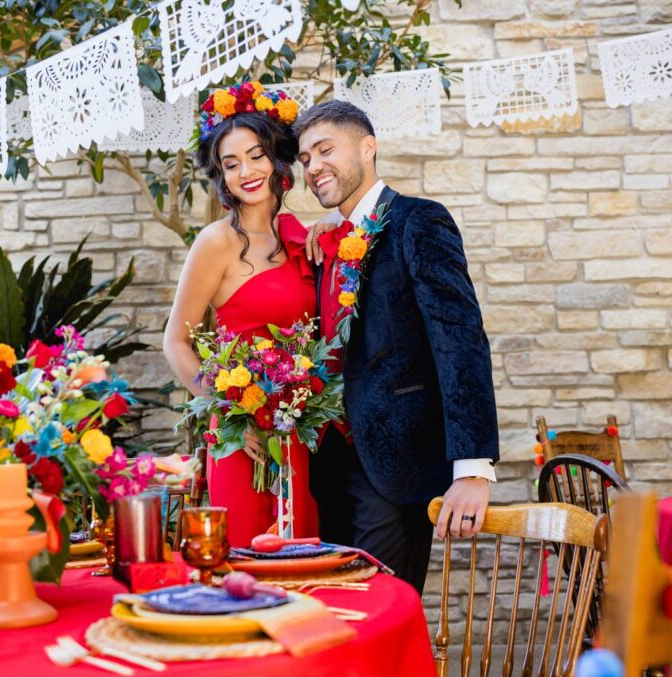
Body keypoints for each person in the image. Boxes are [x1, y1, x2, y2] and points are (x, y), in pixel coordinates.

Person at [293, 101, 499, 594]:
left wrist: (472, 468)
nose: (313, 166)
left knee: (379, 610)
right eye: (303, 159)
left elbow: (460, 339)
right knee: (332, 614)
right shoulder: (326, 242)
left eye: (325, 150)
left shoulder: (418, 221)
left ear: (368, 146)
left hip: (396, 467)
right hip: (325, 469)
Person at [163, 82, 319, 548]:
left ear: (277, 161)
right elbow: (175, 341)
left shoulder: (305, 239)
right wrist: (230, 411)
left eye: (256, 156)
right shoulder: (216, 242)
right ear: (222, 178)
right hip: (240, 435)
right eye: (231, 165)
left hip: (300, 430)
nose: (246, 172)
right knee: (243, 557)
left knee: (301, 556)